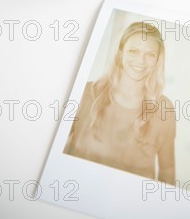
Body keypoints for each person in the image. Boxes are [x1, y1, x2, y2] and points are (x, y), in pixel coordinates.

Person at [63, 21, 176, 184]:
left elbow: (167, 169)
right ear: (121, 52)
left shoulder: (165, 109)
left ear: (158, 60)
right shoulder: (85, 93)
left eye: (150, 54)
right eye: (133, 51)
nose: (141, 61)